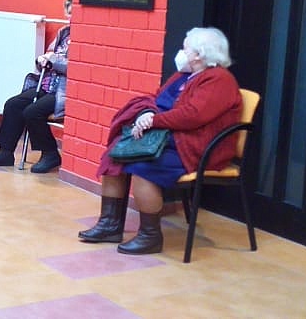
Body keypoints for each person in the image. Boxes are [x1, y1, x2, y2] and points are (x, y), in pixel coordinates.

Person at [78, 27, 242, 255]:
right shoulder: (184, 74)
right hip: (170, 136)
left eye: (186, 48)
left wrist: (153, 121)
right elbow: (156, 98)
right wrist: (146, 113)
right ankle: (110, 225)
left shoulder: (219, 80)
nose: (182, 52)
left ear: (199, 55)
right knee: (116, 154)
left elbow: (193, 116)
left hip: (196, 145)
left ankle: (150, 236)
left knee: (142, 165)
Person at [0, 0, 73, 173]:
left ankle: (50, 153)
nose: (71, 18)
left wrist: (54, 61)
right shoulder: (64, 32)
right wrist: (42, 60)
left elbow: (76, 67)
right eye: (68, 13)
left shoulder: (87, 38)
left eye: (74, 13)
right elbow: (50, 55)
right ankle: (5, 152)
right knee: (13, 104)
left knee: (32, 112)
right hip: (46, 84)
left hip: (63, 91)